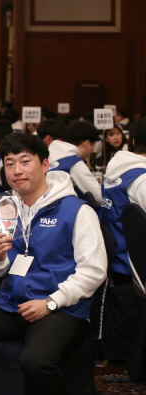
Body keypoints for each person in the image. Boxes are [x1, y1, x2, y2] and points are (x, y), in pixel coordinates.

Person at [0, 132, 107, 395]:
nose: (17, 170)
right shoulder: (6, 209)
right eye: (10, 163)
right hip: (12, 304)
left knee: (36, 361)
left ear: (45, 165)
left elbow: (94, 271)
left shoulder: (77, 211)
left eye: (25, 161)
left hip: (61, 308)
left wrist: (51, 302)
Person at [98, 117, 146, 365]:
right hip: (135, 268)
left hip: (117, 263)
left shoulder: (116, 169)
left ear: (132, 141)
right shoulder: (142, 180)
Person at [48, 120, 101, 205]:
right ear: (86, 144)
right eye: (93, 146)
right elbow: (98, 196)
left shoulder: (50, 155)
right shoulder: (75, 164)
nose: (92, 151)